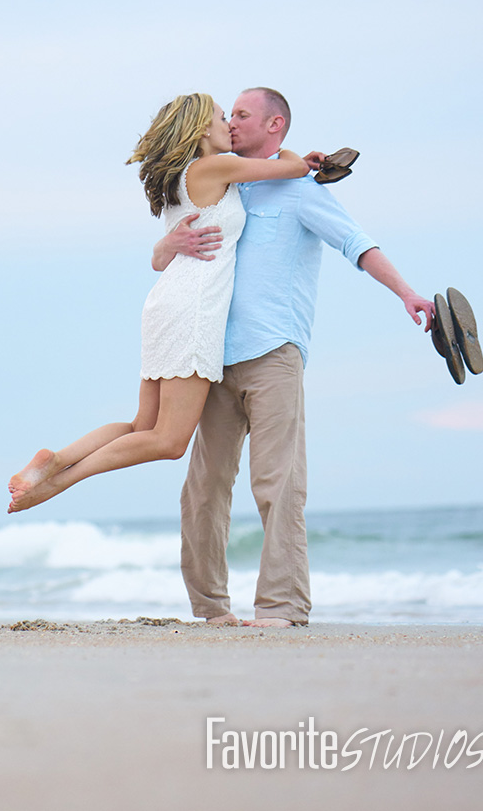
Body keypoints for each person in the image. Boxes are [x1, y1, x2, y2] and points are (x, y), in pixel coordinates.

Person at [155, 87, 434, 628]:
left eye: (242, 114)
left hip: (274, 352)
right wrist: (168, 249)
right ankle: (210, 609)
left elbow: (357, 243)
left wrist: (406, 292)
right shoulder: (226, 186)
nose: (230, 123)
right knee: (203, 489)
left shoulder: (303, 192)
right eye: (228, 115)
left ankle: (282, 607)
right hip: (207, 354)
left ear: (274, 123)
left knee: (278, 484)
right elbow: (167, 244)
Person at [7, 93, 312, 515]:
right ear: (204, 129)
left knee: (140, 426)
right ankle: (60, 480)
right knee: (168, 441)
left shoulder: (179, 178)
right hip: (195, 309)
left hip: (168, 303)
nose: (230, 126)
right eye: (224, 118)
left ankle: (57, 459)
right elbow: (293, 166)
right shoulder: (215, 167)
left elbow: (159, 258)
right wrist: (299, 153)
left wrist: (163, 247)